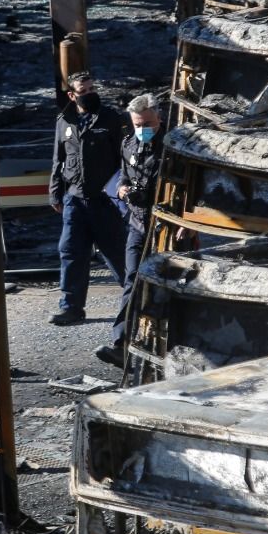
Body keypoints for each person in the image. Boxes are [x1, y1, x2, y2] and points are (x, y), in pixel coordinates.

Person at [49, 71, 127, 326]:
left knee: (116, 253)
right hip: (74, 200)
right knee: (71, 252)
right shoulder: (64, 121)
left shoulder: (111, 119)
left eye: (92, 88)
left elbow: (124, 159)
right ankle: (71, 308)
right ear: (72, 95)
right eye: (84, 91)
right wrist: (55, 192)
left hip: (105, 201)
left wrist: (124, 190)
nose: (90, 94)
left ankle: (136, 303)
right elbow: (58, 160)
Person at [97, 93, 164, 367]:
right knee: (132, 281)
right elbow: (123, 177)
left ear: (159, 117)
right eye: (138, 124)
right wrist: (122, 190)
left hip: (164, 225)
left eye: (147, 123)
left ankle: (164, 347)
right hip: (137, 223)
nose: (143, 129)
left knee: (164, 288)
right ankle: (121, 344)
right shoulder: (128, 144)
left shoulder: (173, 146)